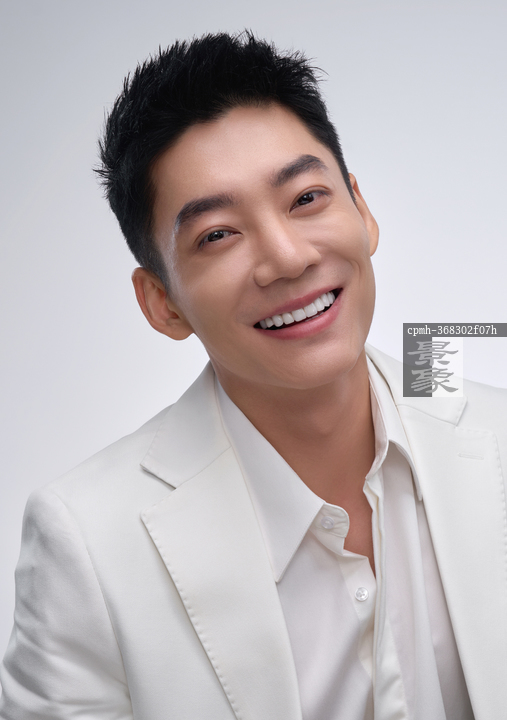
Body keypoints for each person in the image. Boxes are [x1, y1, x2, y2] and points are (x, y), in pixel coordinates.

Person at [1, 31, 506, 720]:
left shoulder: (495, 437)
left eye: (305, 198)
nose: (287, 258)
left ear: (362, 211)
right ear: (162, 302)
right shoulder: (85, 545)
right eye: (217, 235)